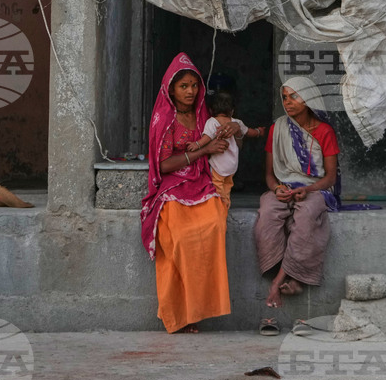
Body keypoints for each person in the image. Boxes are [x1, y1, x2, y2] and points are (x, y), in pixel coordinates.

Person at [139, 52, 242, 333]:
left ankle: (198, 309)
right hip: (172, 185)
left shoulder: (203, 115)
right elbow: (163, 164)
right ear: (171, 89)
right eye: (183, 86)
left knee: (214, 223)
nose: (190, 91)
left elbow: (230, 136)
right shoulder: (164, 118)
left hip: (200, 181)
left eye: (195, 85)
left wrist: (235, 128)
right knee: (180, 238)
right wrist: (203, 152)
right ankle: (180, 315)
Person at [254, 77, 341, 310]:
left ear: (309, 98)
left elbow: (330, 178)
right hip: (284, 187)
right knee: (267, 213)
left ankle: (279, 281)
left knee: (305, 218)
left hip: (316, 188)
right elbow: (270, 175)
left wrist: (307, 189)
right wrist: (277, 189)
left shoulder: (325, 131)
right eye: (285, 97)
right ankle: (288, 275)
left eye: (294, 96)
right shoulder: (277, 128)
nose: (288, 102)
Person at [188, 89, 266, 211]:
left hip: (218, 165)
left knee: (217, 186)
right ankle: (226, 202)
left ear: (211, 110)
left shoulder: (212, 122)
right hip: (232, 165)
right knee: (228, 185)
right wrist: (259, 132)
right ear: (232, 111)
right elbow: (249, 132)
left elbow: (206, 138)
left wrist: (196, 144)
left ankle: (221, 206)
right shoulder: (237, 122)